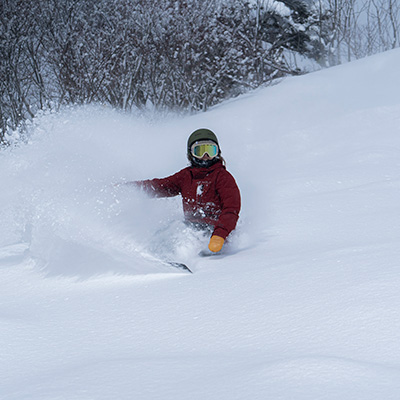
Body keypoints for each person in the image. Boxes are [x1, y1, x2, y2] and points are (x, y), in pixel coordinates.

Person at [128, 128, 241, 253]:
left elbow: (231, 209)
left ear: (218, 152)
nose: (205, 157)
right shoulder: (186, 176)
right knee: (165, 231)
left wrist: (219, 235)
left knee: (178, 232)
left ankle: (182, 255)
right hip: (191, 229)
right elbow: (160, 186)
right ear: (190, 154)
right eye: (200, 151)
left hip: (215, 233)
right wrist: (130, 189)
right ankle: (156, 256)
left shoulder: (223, 177)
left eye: (210, 150)